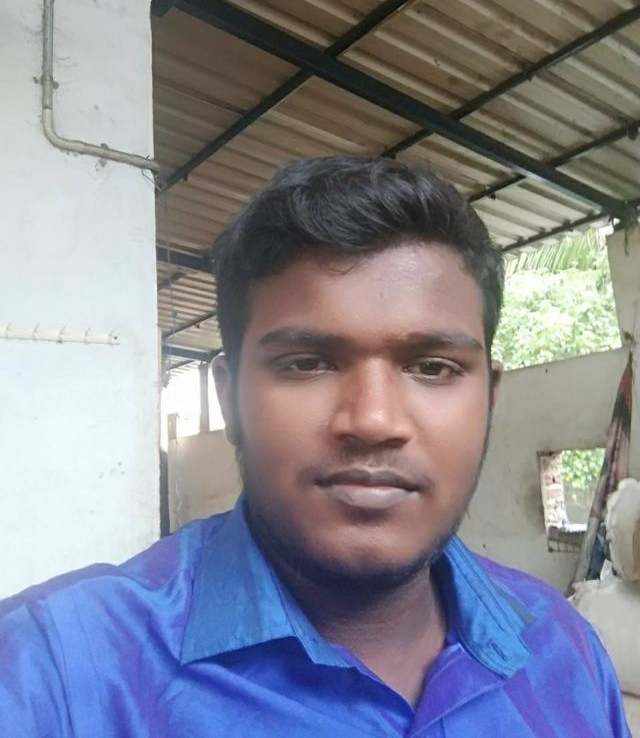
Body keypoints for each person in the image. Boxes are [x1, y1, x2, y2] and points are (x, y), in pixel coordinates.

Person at [0, 157, 630, 736]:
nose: (373, 420)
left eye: (432, 367)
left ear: (490, 397)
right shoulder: (56, 671)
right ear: (230, 399)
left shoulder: (563, 647)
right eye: (306, 363)